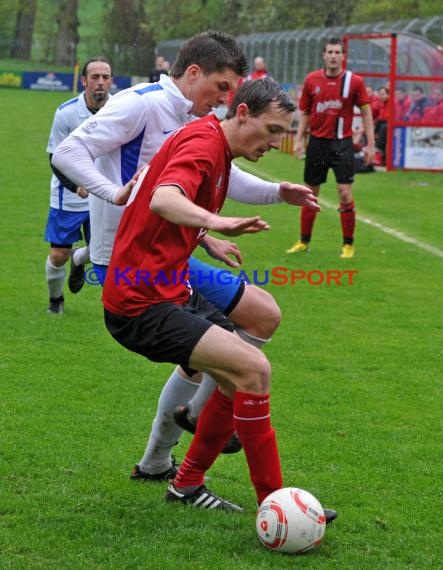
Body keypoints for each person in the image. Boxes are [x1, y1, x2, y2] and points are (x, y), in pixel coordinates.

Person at [53, 31, 320, 482]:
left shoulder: (199, 126)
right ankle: (192, 435)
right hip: (131, 263)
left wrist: (258, 201)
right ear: (194, 73)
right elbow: (70, 153)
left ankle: (187, 434)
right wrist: (114, 194)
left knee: (257, 317)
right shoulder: (143, 104)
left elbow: (214, 176)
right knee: (227, 355)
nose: (225, 97)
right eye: (222, 86)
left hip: (168, 253)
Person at [102, 78, 337, 522]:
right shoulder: (204, 145)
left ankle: (188, 478)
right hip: (140, 301)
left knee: (259, 322)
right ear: (243, 114)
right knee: (252, 368)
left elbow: (185, 194)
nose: (275, 142)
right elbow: (164, 198)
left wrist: (207, 234)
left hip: (170, 283)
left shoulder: (217, 146)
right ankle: (277, 503)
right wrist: (215, 222)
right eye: (272, 131)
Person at [286, 38, 375, 259]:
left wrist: (371, 144)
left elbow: (366, 113)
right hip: (317, 143)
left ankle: (348, 244)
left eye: (337, 52)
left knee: (344, 194)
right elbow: (305, 112)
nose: (334, 56)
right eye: (330, 52)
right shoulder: (311, 80)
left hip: (342, 144)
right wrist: (298, 139)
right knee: (310, 193)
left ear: (343, 56)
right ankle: (304, 241)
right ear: (324, 55)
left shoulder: (354, 82)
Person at [44, 56, 113, 314]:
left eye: (105, 77)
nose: (100, 83)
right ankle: (56, 301)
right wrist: (76, 186)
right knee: (58, 255)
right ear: (84, 81)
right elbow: (55, 157)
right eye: (95, 77)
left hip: (106, 194)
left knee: (104, 254)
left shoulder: (121, 108)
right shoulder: (66, 113)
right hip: (69, 196)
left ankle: (79, 258)